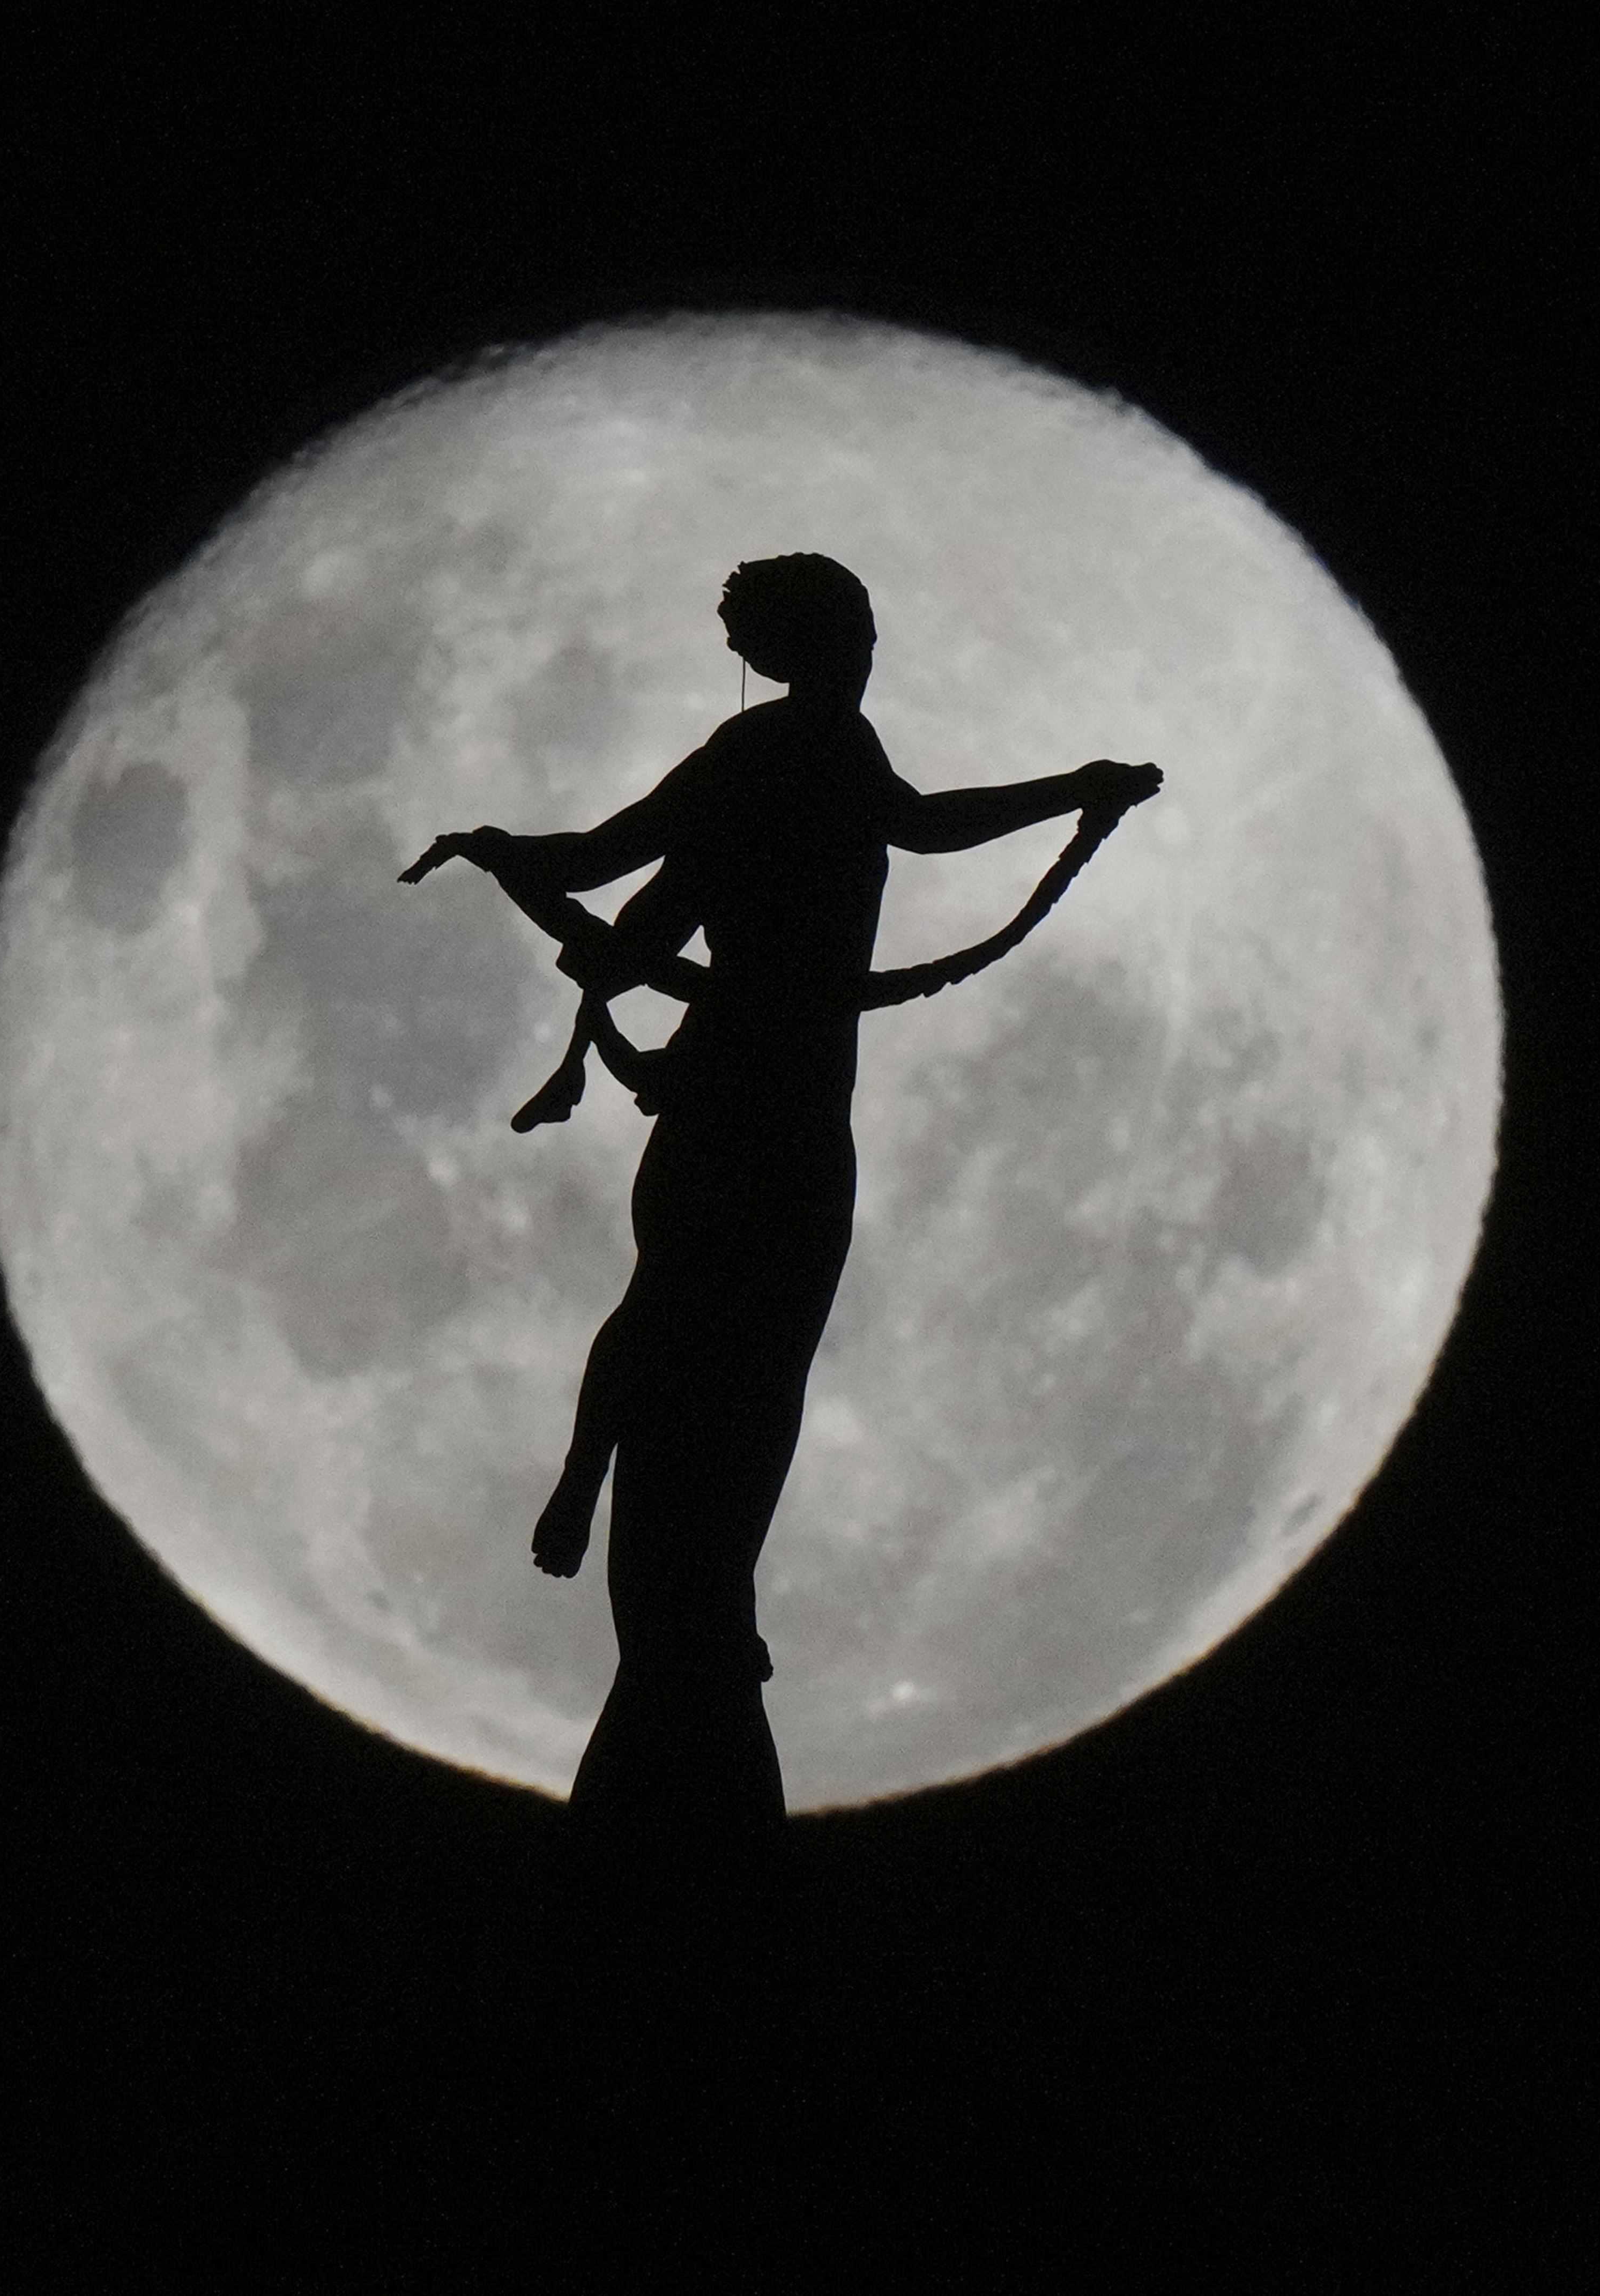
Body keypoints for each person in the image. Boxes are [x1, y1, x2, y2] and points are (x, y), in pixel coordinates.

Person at [403, 553, 1158, 1851]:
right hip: (762, 1096)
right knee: (703, 1320)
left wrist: (1071, 792)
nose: (866, 648)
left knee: (733, 1355)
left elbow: (634, 869)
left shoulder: (815, 746)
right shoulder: (778, 751)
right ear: (827, 640)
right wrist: (1068, 793)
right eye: (852, 629)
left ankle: (645, 1546)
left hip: (787, 1103)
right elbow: (655, 866)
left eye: (861, 629)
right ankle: (608, 1510)